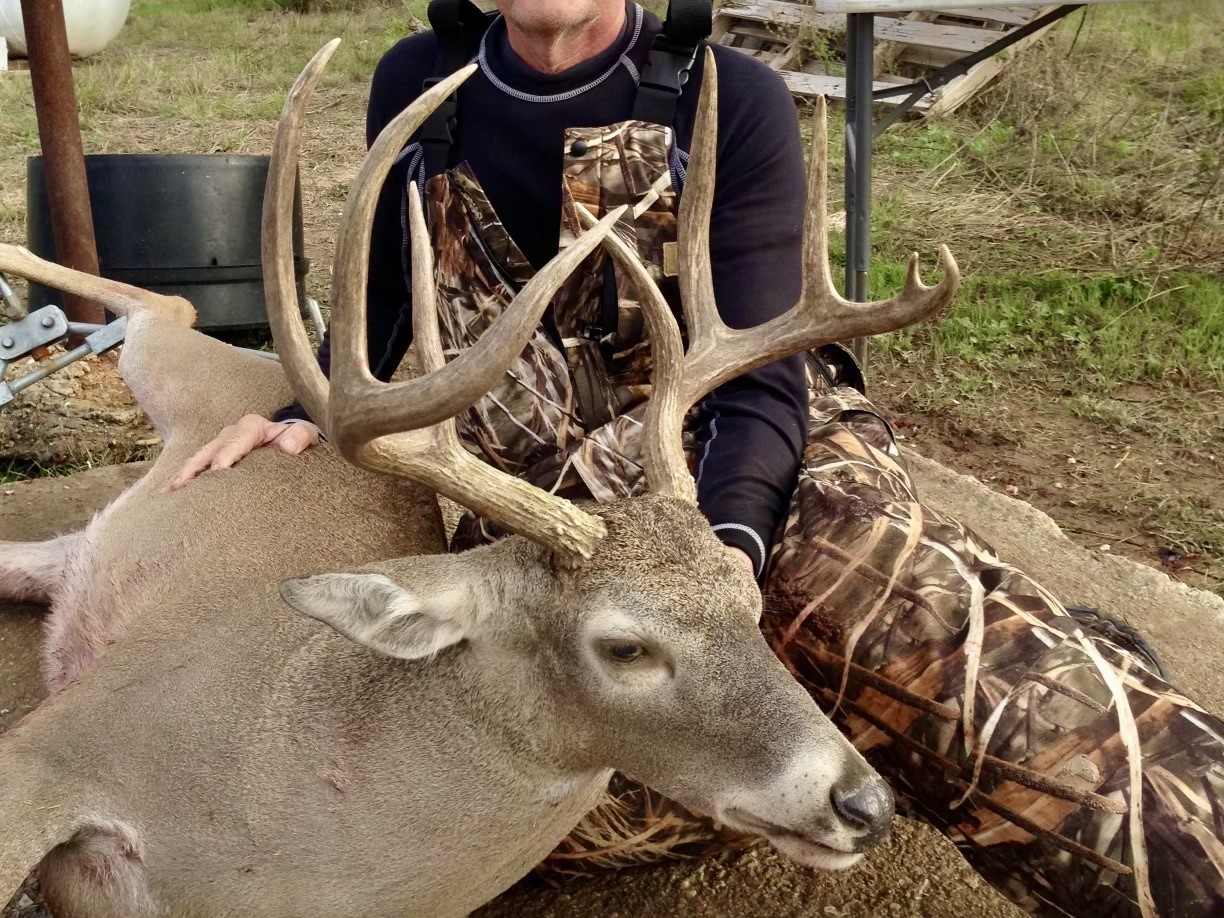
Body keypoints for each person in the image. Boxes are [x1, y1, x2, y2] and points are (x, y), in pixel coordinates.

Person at [170, 3, 1224, 915]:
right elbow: (394, 305)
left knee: (939, 673)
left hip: (735, 470)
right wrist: (305, 409)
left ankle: (1131, 776)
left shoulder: (728, 94)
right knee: (503, 810)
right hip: (555, 521)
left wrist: (720, 562)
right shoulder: (419, 80)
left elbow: (763, 383)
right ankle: (836, 731)